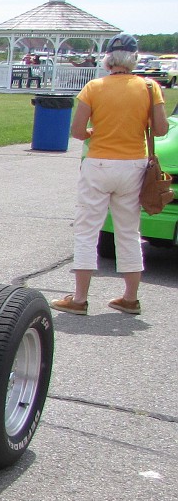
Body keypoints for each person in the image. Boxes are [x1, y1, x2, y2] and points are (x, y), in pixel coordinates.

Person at [52, 33, 169, 318]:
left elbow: (78, 131)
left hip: (99, 163)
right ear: (134, 58)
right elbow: (161, 128)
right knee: (128, 232)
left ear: (108, 59)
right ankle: (130, 298)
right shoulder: (150, 87)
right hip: (133, 164)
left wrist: (95, 131)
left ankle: (79, 299)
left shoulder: (94, 87)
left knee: (87, 229)